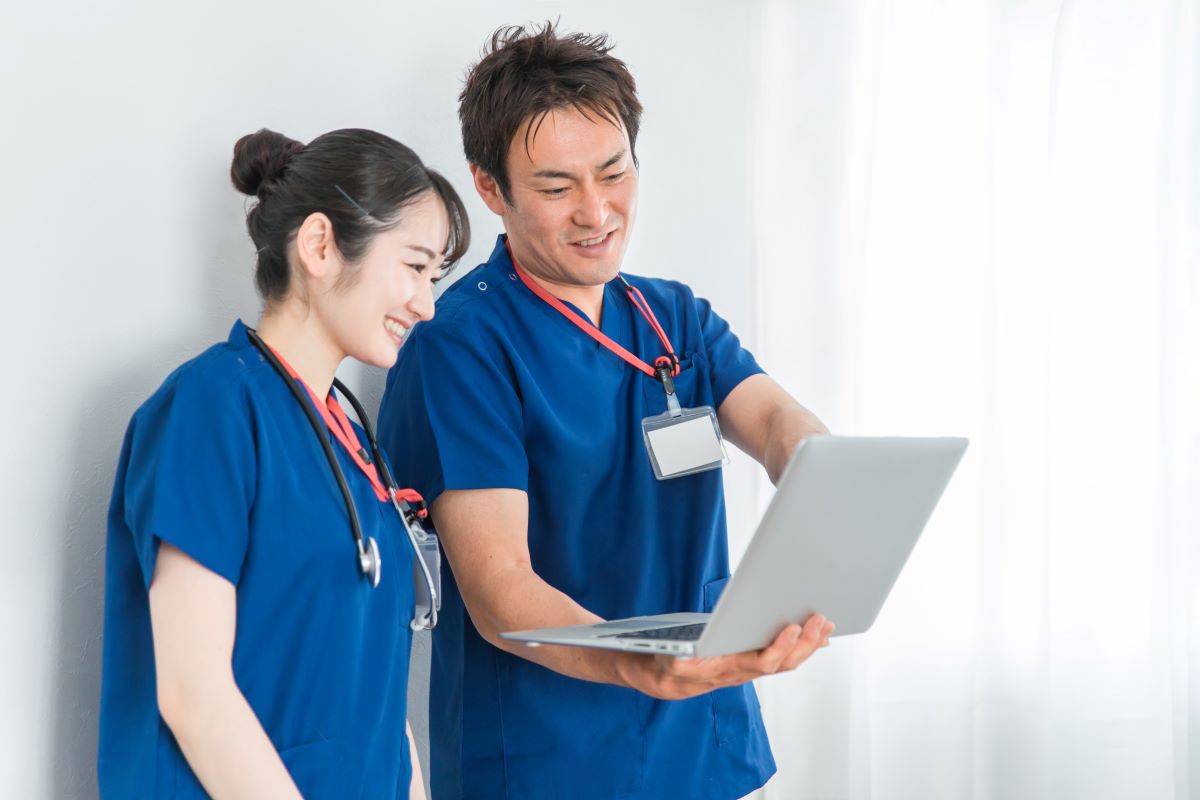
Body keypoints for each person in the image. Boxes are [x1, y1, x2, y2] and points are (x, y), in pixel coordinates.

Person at [378, 23, 834, 800]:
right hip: (549, 759)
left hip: (705, 742)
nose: (596, 212)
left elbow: (778, 424)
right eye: (557, 188)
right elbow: (499, 591)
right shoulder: (459, 348)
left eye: (614, 173)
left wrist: (821, 476)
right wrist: (640, 666)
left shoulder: (673, 319)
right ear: (490, 189)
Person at [98, 127, 469, 798]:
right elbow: (193, 693)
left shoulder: (359, 448)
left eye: (435, 278)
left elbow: (382, 708)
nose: (427, 303)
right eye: (415, 268)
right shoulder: (211, 407)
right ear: (320, 245)